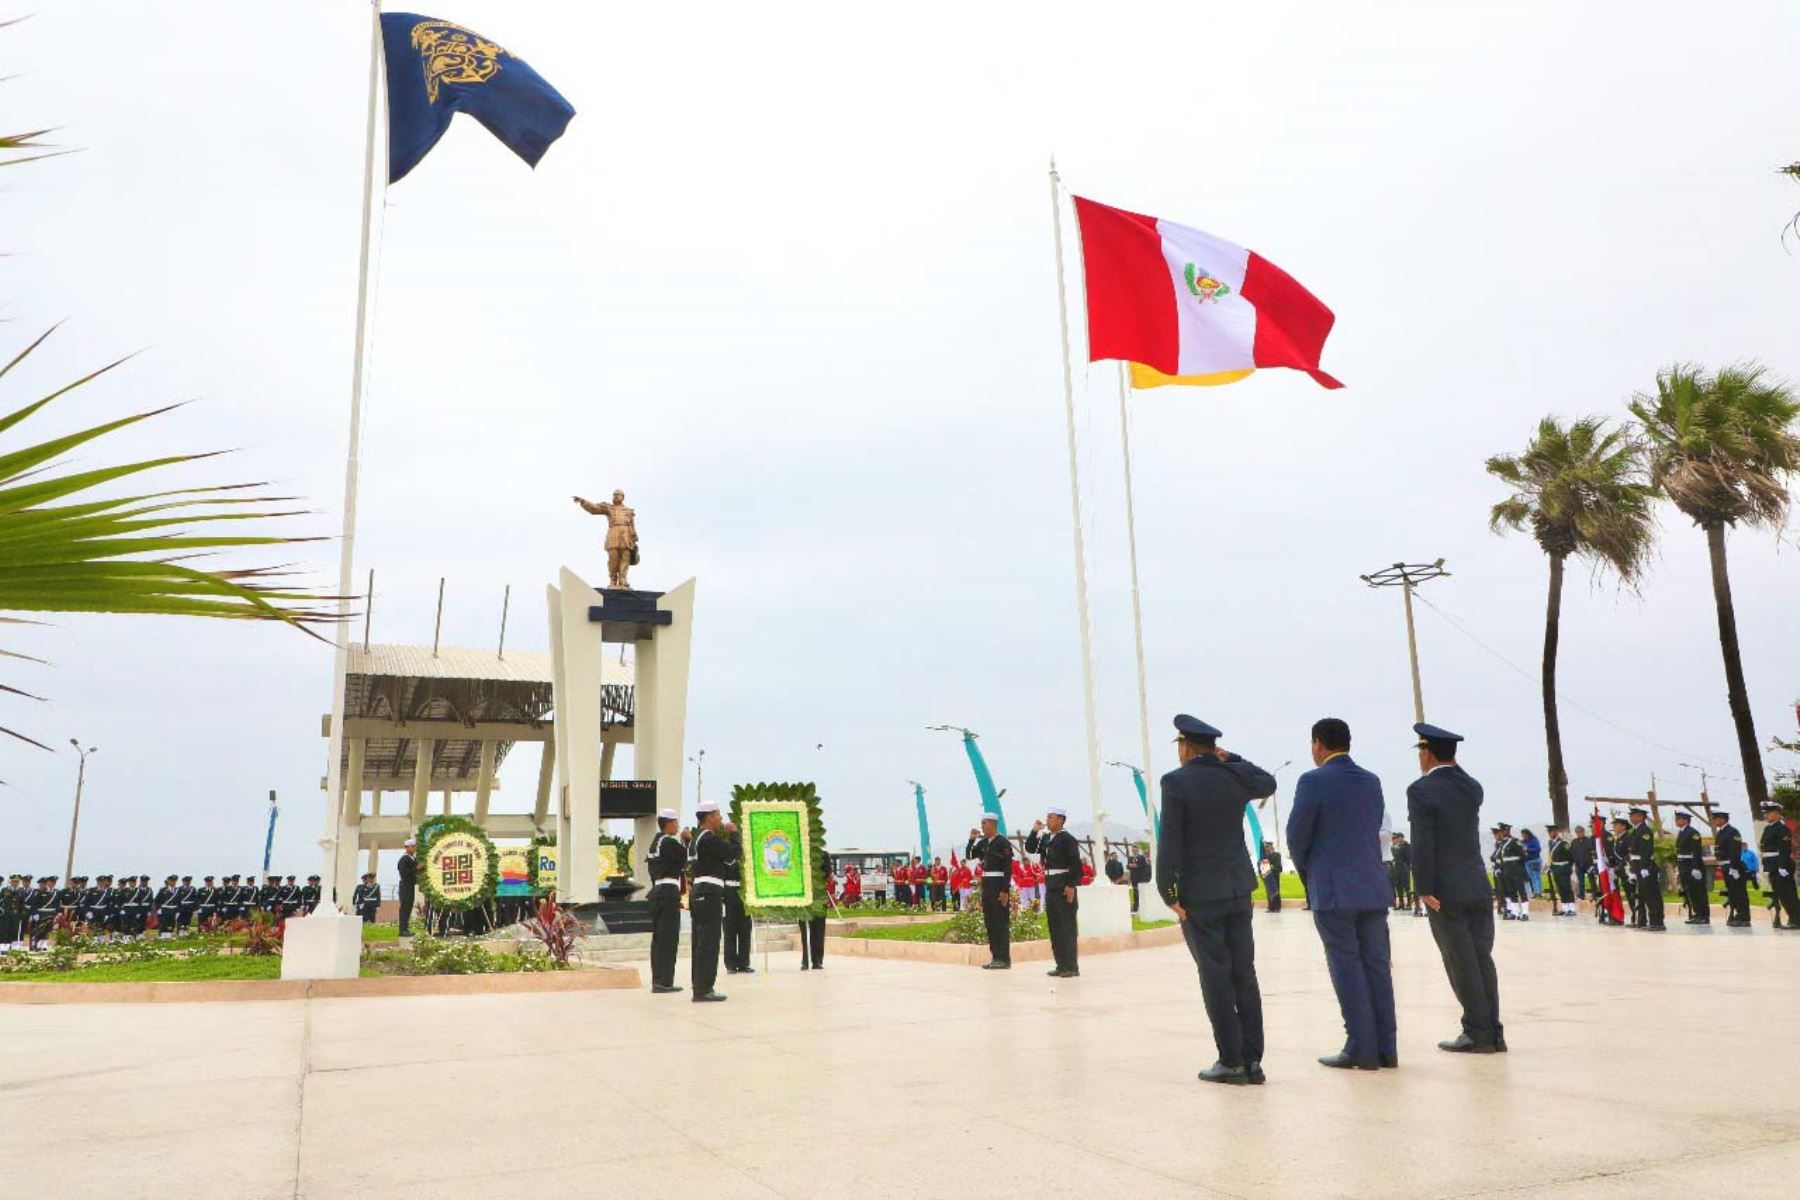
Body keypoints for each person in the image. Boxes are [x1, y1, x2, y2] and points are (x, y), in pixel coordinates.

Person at [1157, 714, 1277, 1086]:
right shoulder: (1234, 776)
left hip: (1201, 894)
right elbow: (1268, 782)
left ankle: (1230, 1059)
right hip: (1238, 888)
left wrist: (1168, 892)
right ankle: (1253, 1060)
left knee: (1215, 974)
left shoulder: (1176, 782)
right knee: (1244, 972)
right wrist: (1233, 758)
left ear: (1186, 747)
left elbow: (1171, 840)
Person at [1287, 717, 1397, 1073]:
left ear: (1318, 744)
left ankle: (1360, 1048)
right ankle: (1386, 1047)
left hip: (1334, 890)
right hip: (1372, 887)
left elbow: (1297, 835)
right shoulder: (1371, 781)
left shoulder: (1312, 781)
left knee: (1346, 966)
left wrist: (1310, 873)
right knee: (1377, 966)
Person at [1408, 722, 1504, 1055]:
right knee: (1481, 959)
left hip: (1445, 891)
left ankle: (1476, 1032)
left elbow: (1423, 842)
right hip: (1477, 884)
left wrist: (1423, 886)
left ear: (1427, 752)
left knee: (1460, 961)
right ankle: (1494, 1030)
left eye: (1421, 751)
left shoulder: (1420, 791)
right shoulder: (1471, 787)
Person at [1026, 808, 1082, 978]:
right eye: (1047, 817)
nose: (1047, 820)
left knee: (1067, 927)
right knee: (1055, 926)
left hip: (1064, 885)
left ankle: (1071, 967)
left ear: (1061, 820)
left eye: (1050, 818)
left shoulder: (1068, 839)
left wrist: (1071, 885)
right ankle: (1060, 964)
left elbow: (1075, 864)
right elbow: (1030, 848)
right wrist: (1034, 831)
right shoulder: (1046, 838)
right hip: (1050, 885)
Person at [688, 800, 730, 1002]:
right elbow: (731, 855)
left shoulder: (697, 837)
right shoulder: (708, 839)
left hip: (699, 891)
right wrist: (735, 834)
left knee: (700, 941)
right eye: (718, 814)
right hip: (709, 891)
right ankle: (704, 988)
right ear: (709, 817)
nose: (721, 818)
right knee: (709, 942)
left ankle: (700, 985)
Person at [966, 813, 1015, 969]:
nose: (982, 826)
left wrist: (1005, 890)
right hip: (987, 883)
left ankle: (1004, 958)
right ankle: (995, 957)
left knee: (1000, 922)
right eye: (981, 823)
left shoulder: (1003, 842)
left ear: (993, 824)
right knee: (990, 921)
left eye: (984, 823)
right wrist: (971, 840)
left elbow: (1008, 868)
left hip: (998, 882)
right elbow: (969, 856)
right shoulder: (983, 843)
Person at [645, 809, 686, 992]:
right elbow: (685, 857)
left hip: (658, 891)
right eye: (676, 822)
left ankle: (660, 979)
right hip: (668, 891)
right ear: (668, 823)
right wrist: (686, 839)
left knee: (660, 938)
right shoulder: (668, 841)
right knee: (668, 938)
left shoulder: (656, 843)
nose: (677, 826)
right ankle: (664, 981)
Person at [1759, 801, 1800, 929]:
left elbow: (1784, 849)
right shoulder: (1768, 828)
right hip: (1772, 865)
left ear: (1777, 813)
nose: (1766, 815)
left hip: (1781, 865)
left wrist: (1782, 866)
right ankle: (1792, 918)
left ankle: (1796, 920)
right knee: (1781, 894)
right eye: (1764, 813)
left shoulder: (1783, 829)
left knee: (1788, 894)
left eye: (1768, 813)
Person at [721, 818, 754, 976]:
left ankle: (744, 962)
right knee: (730, 928)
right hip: (729, 891)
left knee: (745, 928)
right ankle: (731, 964)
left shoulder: (746, 852)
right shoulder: (727, 848)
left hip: (744, 892)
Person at [1623, 807, 1665, 932]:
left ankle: (1657, 922)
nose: (1632, 818)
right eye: (1631, 816)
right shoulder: (1636, 830)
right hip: (1638, 867)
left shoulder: (1644, 831)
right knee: (1643, 896)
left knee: (1652, 896)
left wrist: (1644, 868)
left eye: (1634, 816)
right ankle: (1644, 921)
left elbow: (1646, 851)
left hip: (1645, 867)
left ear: (1641, 817)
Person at [1711, 811, 1751, 927]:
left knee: (1739, 892)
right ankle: (1738, 915)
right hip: (1725, 865)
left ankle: (1744, 917)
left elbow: (1735, 851)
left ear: (1723, 819)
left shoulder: (1732, 832)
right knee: (1733, 892)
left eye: (1716, 818)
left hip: (1732, 866)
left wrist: (1734, 867)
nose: (1714, 821)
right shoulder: (1721, 832)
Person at [1672, 812, 1709, 925]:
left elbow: (1696, 851)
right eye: (1676, 818)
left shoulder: (1693, 833)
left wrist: (1696, 868)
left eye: (1678, 819)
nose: (1676, 821)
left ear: (1686, 820)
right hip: (1684, 865)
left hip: (1691, 865)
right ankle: (1697, 913)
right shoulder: (1682, 832)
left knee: (1699, 892)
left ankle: (1704, 916)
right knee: (1691, 892)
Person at [799, 849, 830, 970]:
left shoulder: (823, 855)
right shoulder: (800, 853)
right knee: (805, 930)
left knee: (818, 929)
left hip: (818, 895)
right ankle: (805, 960)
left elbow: (827, 873)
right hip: (804, 897)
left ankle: (817, 960)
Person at [1545, 827, 1576, 916]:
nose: (1550, 833)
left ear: (1556, 832)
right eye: (1549, 832)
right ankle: (1565, 908)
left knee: (1567, 888)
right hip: (1555, 868)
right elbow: (1551, 857)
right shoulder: (1550, 843)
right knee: (1560, 889)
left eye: (1551, 831)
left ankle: (1571, 908)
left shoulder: (1563, 843)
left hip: (1564, 868)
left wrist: (1566, 867)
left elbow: (1570, 857)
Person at [396, 839, 418, 937]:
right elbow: (404, 873)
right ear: (406, 848)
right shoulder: (404, 859)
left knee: (408, 908)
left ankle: (406, 929)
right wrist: (417, 868)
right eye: (411, 846)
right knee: (404, 908)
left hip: (410, 886)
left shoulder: (412, 858)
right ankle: (402, 930)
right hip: (405, 886)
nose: (413, 848)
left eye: (414, 846)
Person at [1389, 833, 1413, 913]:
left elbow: (1409, 857)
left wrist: (1407, 867)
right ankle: (1401, 903)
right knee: (1398, 886)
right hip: (1397, 870)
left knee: (1406, 886)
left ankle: (1409, 903)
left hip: (1404, 869)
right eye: (1395, 838)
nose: (1397, 839)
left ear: (1402, 838)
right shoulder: (1394, 847)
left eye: (1398, 837)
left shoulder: (1406, 846)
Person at [1570, 827, 1595, 901]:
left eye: (1580, 832)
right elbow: (1572, 852)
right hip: (1578, 864)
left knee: (1591, 880)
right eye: (1577, 832)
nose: (1579, 833)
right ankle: (1581, 896)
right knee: (1581, 881)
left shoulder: (1588, 840)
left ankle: (1594, 895)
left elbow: (1592, 850)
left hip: (1588, 864)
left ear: (1583, 832)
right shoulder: (1574, 842)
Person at [1258, 841, 1283, 913]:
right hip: (1267, 875)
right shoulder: (1264, 856)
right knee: (1268, 891)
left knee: (1276, 890)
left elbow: (1278, 865)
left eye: (1267, 846)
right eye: (1265, 847)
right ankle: (1271, 907)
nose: (1266, 848)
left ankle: (1277, 907)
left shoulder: (1276, 855)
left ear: (1271, 847)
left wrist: (1271, 867)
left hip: (1274, 875)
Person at [1521, 828, 1543, 898]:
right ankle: (1534, 892)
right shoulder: (1522, 842)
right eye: (1523, 836)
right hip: (1527, 861)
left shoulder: (1534, 840)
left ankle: (1538, 892)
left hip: (1535, 860)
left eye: (1525, 835)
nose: (1524, 837)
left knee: (1536, 876)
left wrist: (1528, 849)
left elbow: (1538, 849)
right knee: (1531, 877)